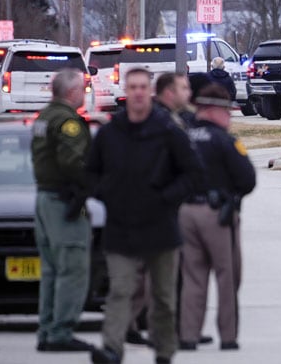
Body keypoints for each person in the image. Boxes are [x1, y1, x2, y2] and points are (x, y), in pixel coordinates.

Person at [87, 68, 202, 364]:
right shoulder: (111, 132)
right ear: (126, 89)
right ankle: (112, 348)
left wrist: (166, 197)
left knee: (163, 298)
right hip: (121, 227)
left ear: (149, 91)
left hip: (160, 226)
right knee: (120, 291)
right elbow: (90, 172)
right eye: (133, 86)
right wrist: (107, 193)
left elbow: (193, 174)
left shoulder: (167, 131)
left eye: (143, 87)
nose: (138, 92)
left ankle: (164, 351)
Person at [179, 83, 256, 352]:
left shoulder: (183, 137)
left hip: (185, 213)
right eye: (228, 112)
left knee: (193, 277)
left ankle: (188, 335)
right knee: (228, 276)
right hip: (218, 215)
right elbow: (247, 179)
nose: (230, 117)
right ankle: (228, 336)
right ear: (214, 110)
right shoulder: (225, 140)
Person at [31, 68, 94, 353]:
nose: (84, 92)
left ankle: (47, 328)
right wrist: (90, 183)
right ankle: (61, 331)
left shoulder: (44, 117)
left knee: (51, 270)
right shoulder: (67, 121)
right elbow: (73, 161)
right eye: (82, 88)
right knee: (72, 267)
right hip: (63, 202)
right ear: (71, 92)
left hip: (45, 199)